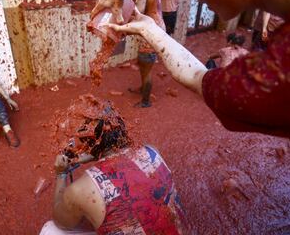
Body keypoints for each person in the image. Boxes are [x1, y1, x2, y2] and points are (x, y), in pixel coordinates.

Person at [103, 0, 290, 134]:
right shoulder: (271, 63)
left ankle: (145, 99)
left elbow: (198, 77)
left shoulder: (275, 72)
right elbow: (198, 77)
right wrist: (149, 28)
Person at [40, 94, 185, 234]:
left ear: (88, 144)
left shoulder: (81, 190)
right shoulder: (151, 151)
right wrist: (95, 153)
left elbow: (61, 222)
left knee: (50, 230)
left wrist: (61, 173)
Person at [91, 0, 166, 108]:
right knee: (143, 63)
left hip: (150, 33)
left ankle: (146, 101)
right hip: (154, 28)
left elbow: (138, 10)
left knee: (146, 69)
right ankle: (142, 89)